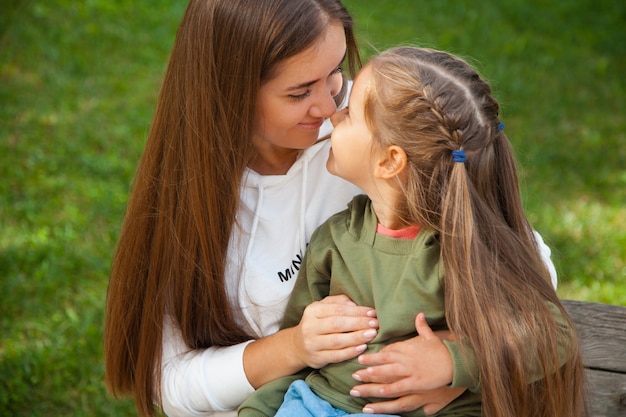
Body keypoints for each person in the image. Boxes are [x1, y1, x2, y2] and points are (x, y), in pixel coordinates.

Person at [103, 0, 559, 415]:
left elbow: (526, 266)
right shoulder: (189, 200)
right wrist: (295, 348)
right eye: (299, 93)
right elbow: (169, 384)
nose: (328, 109)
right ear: (229, 91)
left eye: (336, 73)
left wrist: (453, 361)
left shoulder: (374, 135)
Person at [238, 47, 587, 417]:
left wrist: (454, 363)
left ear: (390, 161)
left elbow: (552, 333)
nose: (334, 116)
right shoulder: (334, 241)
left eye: (351, 114)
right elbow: (301, 363)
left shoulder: (455, 250)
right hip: (317, 405)